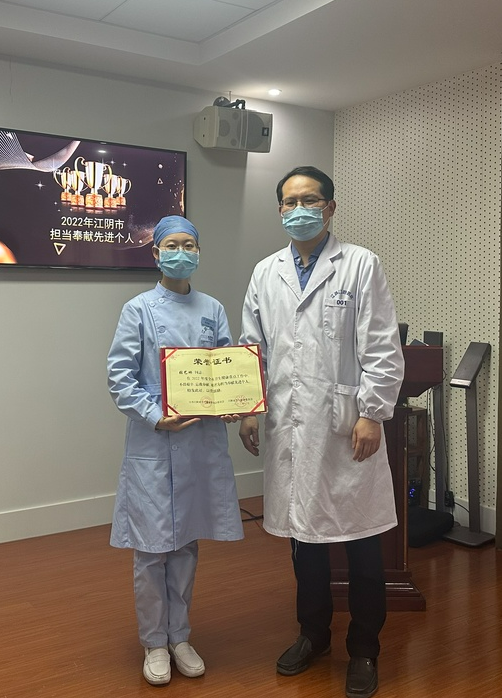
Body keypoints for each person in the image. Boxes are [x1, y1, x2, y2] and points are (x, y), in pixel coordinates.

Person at [238, 166, 404, 698]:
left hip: (347, 427)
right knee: (303, 544)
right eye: (289, 202)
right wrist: (248, 408)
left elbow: (382, 346)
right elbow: (252, 345)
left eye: (310, 200)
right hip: (290, 427)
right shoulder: (266, 272)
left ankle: (365, 649)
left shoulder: (359, 264)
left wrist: (372, 413)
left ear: (330, 208)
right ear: (279, 210)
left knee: (362, 546)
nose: (299, 210)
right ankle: (313, 635)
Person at [107, 215, 245, 686]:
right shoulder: (138, 310)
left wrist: (234, 403)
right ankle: (154, 642)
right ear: (156, 253)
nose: (181, 253)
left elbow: (227, 368)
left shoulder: (213, 308)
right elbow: (119, 378)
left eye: (189, 245)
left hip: (201, 442)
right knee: (151, 549)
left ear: (199, 253)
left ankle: (180, 636)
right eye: (172, 245)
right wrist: (154, 415)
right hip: (155, 441)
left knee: (185, 543)